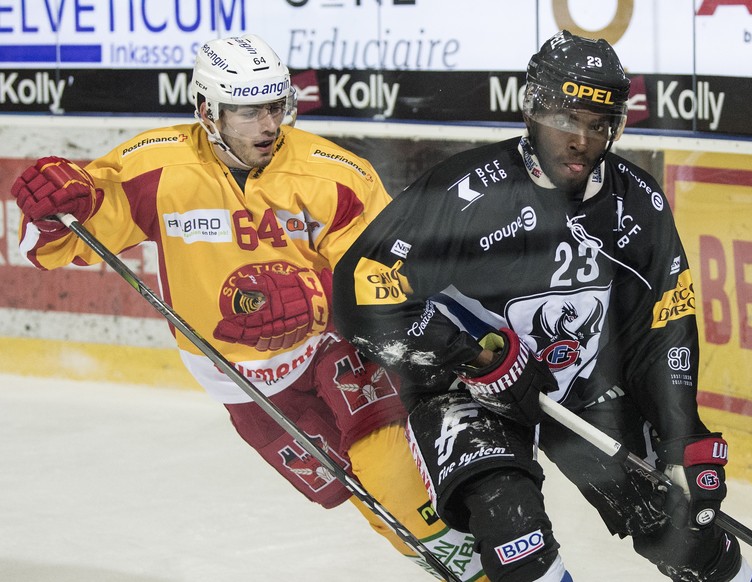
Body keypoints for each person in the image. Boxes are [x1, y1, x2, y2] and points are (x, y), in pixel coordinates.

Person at [12, 34, 485, 581]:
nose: (266, 125)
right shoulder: (156, 168)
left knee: (394, 482)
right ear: (206, 110)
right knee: (363, 499)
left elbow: (389, 274)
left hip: (332, 347)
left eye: (275, 105)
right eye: (246, 110)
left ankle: (503, 566)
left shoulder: (335, 174)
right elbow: (56, 247)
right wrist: (57, 210)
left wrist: (316, 298)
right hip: (240, 381)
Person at [333, 30, 752, 582]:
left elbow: (664, 328)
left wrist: (683, 435)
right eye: (567, 120)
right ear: (532, 111)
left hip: (582, 385)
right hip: (473, 390)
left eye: (598, 124)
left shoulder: (637, 203)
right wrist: (472, 356)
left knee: (684, 533)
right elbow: (362, 289)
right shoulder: (465, 192)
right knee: (514, 534)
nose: (581, 140)